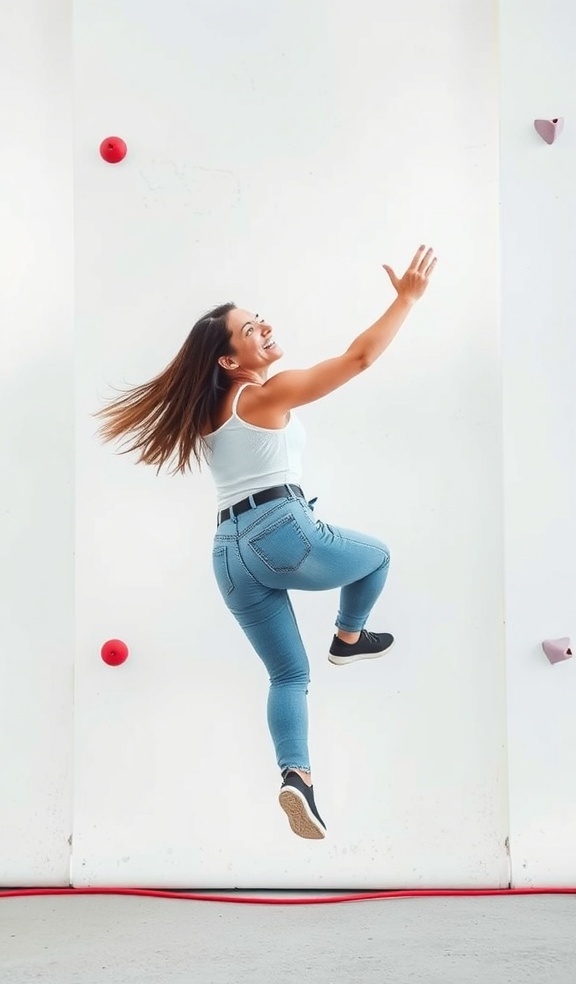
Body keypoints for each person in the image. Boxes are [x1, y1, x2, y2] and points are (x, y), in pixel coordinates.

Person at [95, 244, 437, 841]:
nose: (265, 327)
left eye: (259, 319)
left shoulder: (209, 413)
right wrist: (405, 301)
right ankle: (348, 638)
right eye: (251, 329)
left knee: (288, 675)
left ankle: (297, 778)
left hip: (228, 554)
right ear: (229, 360)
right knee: (377, 557)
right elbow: (358, 359)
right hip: (278, 529)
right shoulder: (261, 395)